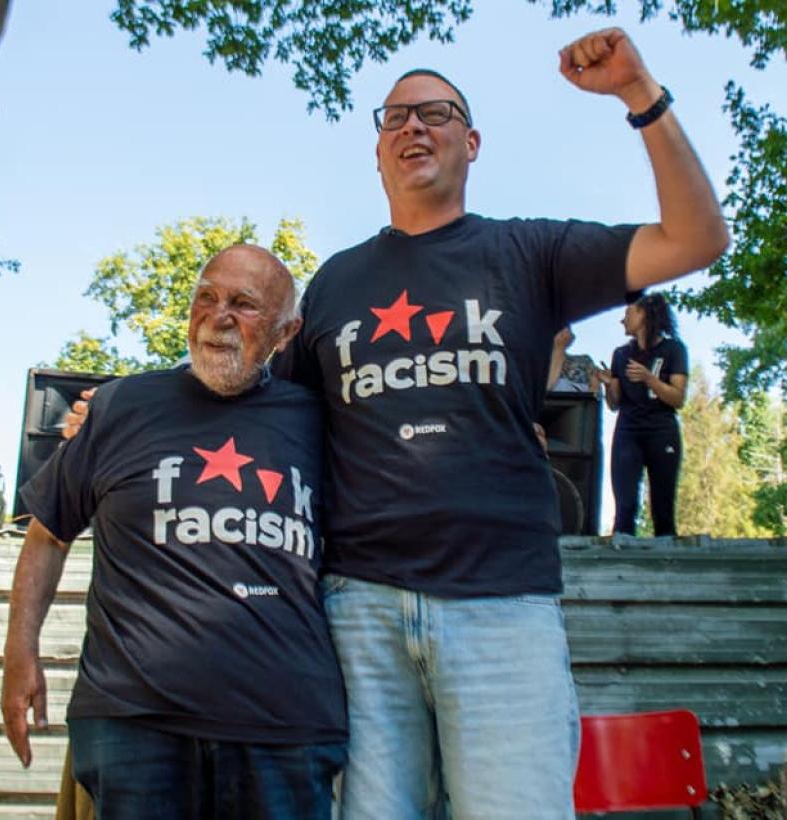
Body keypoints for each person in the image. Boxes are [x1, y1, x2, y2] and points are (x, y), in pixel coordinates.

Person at [62, 28, 728, 820]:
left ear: (471, 143)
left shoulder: (531, 252)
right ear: (378, 154)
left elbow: (698, 239)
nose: (413, 125)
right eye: (394, 117)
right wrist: (117, 415)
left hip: (503, 606)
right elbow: (251, 403)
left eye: (436, 112)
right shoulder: (334, 283)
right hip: (359, 614)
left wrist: (639, 92)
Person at [1, 245, 347, 820]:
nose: (219, 316)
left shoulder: (324, 420)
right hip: (134, 722)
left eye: (244, 304)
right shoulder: (120, 405)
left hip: (285, 729)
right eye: (205, 297)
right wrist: (19, 653)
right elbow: (48, 535)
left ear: (286, 333)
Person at [594, 293, 688, 536]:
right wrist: (608, 384)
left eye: (627, 314)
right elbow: (614, 404)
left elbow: (678, 398)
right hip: (628, 431)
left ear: (644, 315)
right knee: (625, 506)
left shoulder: (673, 349)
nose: (622, 320)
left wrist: (649, 379)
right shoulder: (621, 354)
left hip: (662, 431)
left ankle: (666, 555)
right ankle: (622, 553)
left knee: (662, 508)